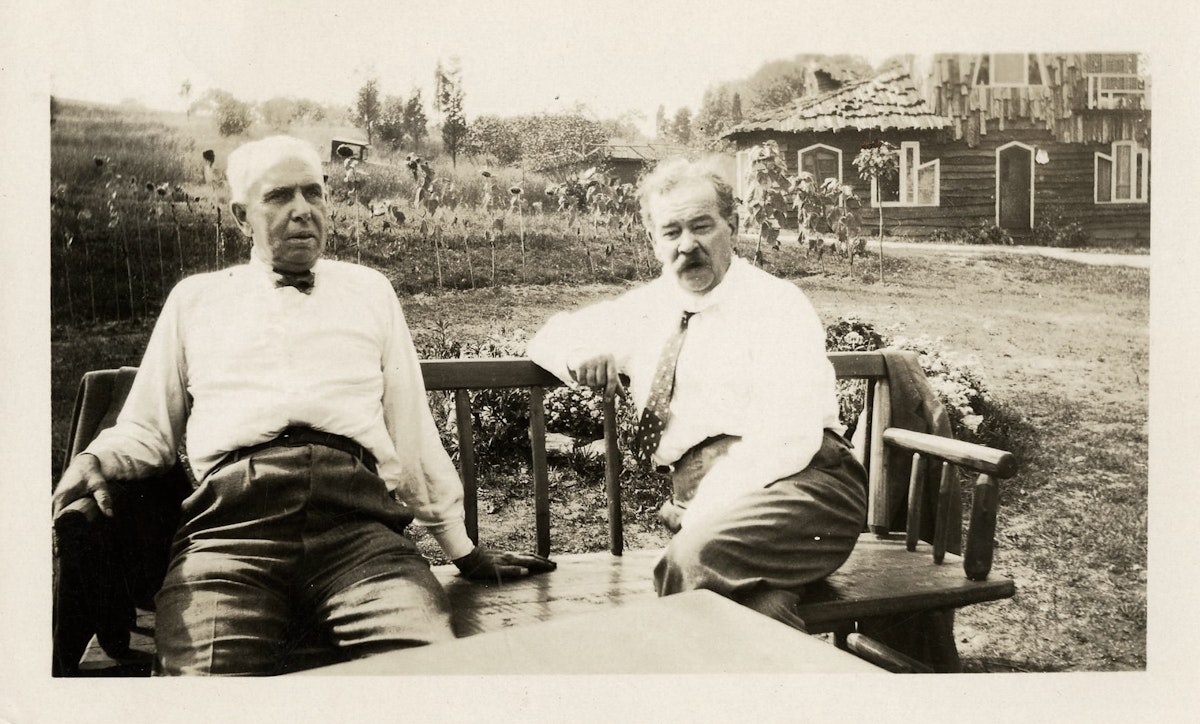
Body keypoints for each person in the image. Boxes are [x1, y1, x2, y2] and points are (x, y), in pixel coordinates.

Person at [51, 135, 554, 675]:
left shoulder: (370, 290)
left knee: (422, 671)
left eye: (313, 194)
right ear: (241, 216)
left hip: (359, 532)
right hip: (229, 535)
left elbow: (410, 430)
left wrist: (462, 549)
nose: (302, 212)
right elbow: (149, 428)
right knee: (209, 679)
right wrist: (97, 459)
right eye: (279, 197)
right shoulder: (196, 300)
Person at [526, 157, 867, 629]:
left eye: (702, 226)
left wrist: (700, 516)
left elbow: (785, 439)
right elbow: (549, 335)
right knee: (757, 613)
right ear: (653, 240)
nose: (687, 246)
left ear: (733, 225)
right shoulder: (648, 307)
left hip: (804, 486)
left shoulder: (776, 305)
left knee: (691, 561)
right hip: (717, 504)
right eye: (671, 232)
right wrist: (580, 353)